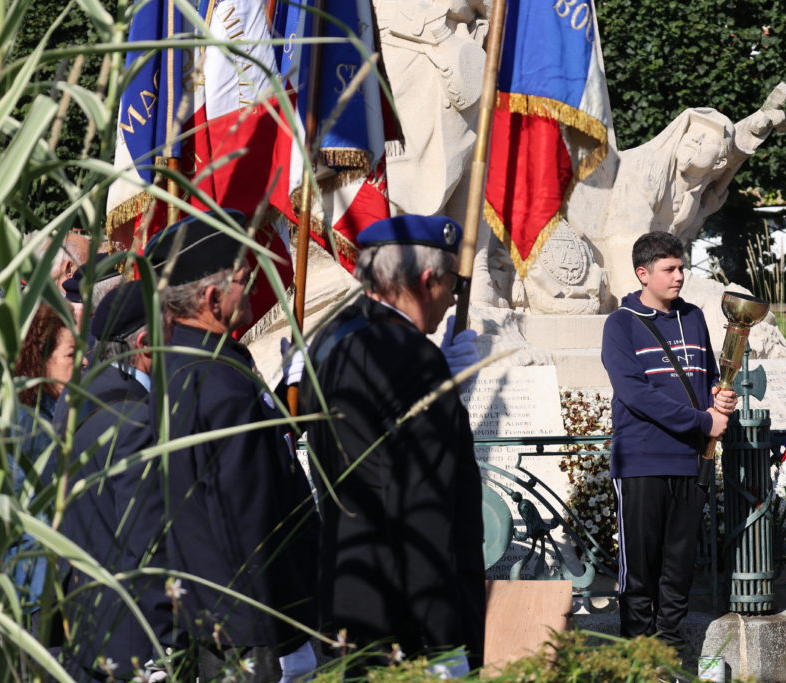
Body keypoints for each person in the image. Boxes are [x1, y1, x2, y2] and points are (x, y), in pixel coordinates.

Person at [297, 214, 484, 675]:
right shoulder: (414, 359)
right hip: (408, 615)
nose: (451, 302)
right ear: (427, 280)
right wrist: (443, 641)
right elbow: (421, 508)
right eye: (452, 288)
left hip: (351, 592)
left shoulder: (331, 336)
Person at [147, 210, 318, 679]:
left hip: (222, 624)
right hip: (262, 628)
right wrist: (267, 638)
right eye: (243, 278)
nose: (253, 285)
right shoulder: (220, 385)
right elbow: (248, 521)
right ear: (210, 298)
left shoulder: (185, 368)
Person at [601, 231, 737, 647]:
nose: (679, 276)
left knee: (678, 569)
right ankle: (640, 658)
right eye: (669, 269)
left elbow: (708, 374)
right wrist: (701, 421)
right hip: (641, 460)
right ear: (643, 274)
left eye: (682, 268)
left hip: (690, 462)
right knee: (639, 569)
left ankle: (671, 653)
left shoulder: (693, 316)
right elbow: (637, 394)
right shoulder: (620, 324)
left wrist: (720, 393)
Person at [57, 280, 162, 681]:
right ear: (146, 342)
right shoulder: (135, 420)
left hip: (83, 626)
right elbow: (144, 543)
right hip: (130, 642)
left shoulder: (77, 397)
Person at [8, 304, 79, 634]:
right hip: (40, 583)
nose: (82, 364)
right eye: (70, 355)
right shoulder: (27, 423)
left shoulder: (53, 411)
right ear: (42, 359)